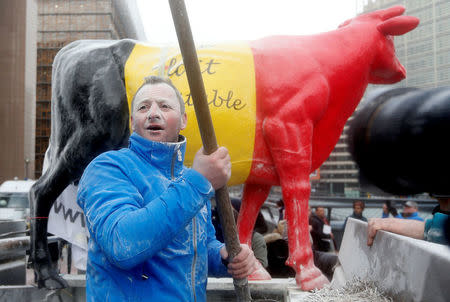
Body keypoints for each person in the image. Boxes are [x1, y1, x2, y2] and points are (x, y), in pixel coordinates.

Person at [77, 76, 258, 301]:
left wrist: (223, 256)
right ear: (133, 121)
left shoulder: (189, 180)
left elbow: (199, 245)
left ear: (183, 120)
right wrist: (199, 182)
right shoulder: (108, 168)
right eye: (144, 107)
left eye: (164, 106)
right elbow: (121, 244)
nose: (153, 112)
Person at [367, 196, 450, 246]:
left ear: (415, 209)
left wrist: (394, 215)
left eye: (408, 207)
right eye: (405, 206)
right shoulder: (402, 217)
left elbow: (405, 226)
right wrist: (385, 213)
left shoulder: (419, 219)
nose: (405, 208)